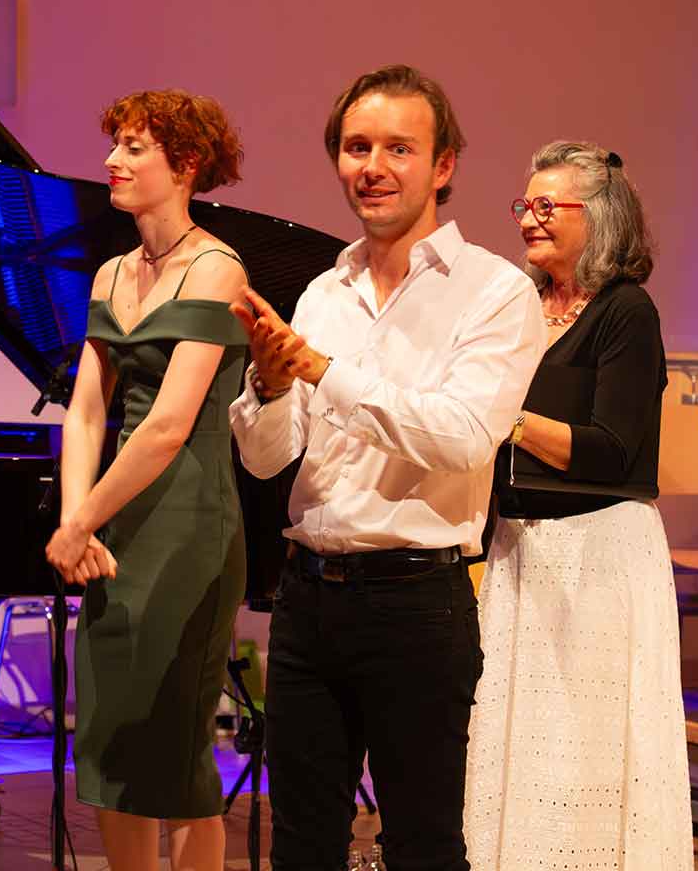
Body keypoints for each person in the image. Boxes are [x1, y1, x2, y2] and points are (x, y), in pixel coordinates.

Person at [229, 64, 546, 871]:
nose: (372, 166)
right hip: (307, 598)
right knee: (301, 845)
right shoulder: (323, 291)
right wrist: (270, 386)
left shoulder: (495, 291)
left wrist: (320, 369)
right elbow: (266, 460)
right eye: (356, 147)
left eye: (398, 148)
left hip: (418, 602)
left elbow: (464, 438)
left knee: (423, 847)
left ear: (444, 165)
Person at [461, 142, 690, 869]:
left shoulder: (627, 311)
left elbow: (611, 449)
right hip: (520, 551)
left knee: (588, 750)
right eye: (523, 205)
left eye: (546, 206)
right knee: (521, 745)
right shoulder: (520, 308)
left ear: (601, 217)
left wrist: (508, 419)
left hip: (600, 556)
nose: (528, 218)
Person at [45, 89, 248, 871]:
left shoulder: (216, 268)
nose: (112, 161)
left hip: (188, 524)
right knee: (109, 745)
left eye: (133, 148)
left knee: (173, 752)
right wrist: (78, 520)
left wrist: (80, 521)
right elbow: (86, 410)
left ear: (186, 164)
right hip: (115, 522)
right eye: (117, 145)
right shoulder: (109, 274)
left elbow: (166, 426)